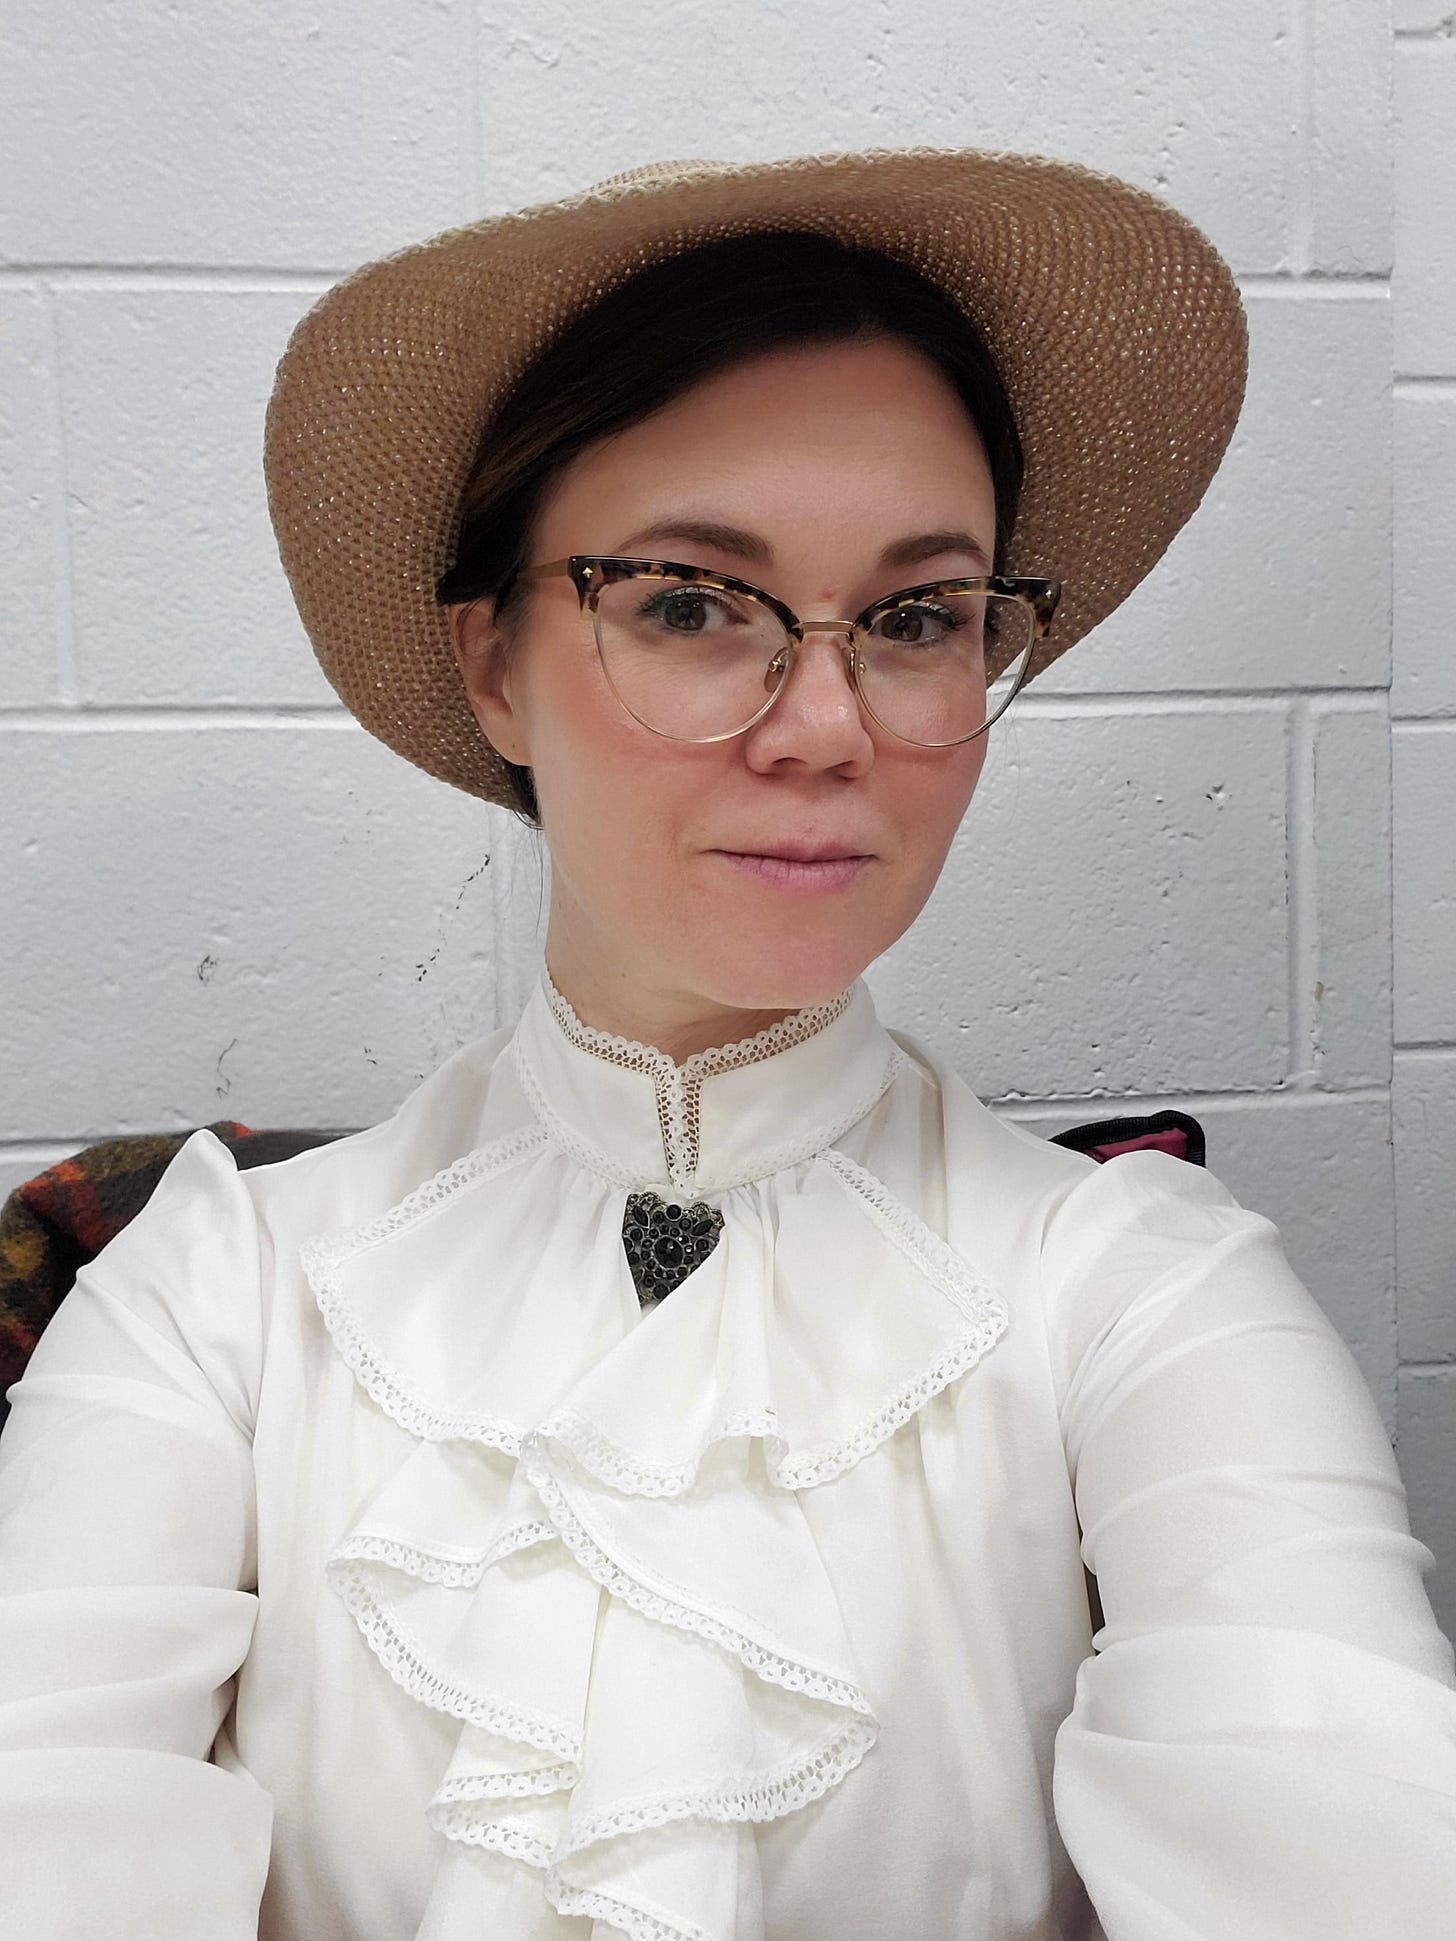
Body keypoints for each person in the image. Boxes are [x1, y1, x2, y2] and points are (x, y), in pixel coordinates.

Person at [2, 149, 1454, 1941]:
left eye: (919, 616)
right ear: (491, 663)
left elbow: (1343, 1823)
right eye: (692, 603)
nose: (829, 724)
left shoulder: (1147, 1293)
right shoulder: (216, 1290)